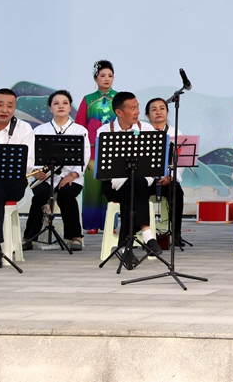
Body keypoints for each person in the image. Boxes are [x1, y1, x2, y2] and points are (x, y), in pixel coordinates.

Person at [95, 92, 163, 270]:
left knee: (135, 186)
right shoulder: (104, 132)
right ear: (119, 112)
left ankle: (126, 247)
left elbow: (151, 168)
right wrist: (123, 178)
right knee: (132, 189)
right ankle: (147, 235)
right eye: (133, 108)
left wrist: (133, 177)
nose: (137, 112)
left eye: (138, 107)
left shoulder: (147, 129)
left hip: (140, 183)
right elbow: (106, 170)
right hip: (113, 185)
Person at [23, 90, 90, 252]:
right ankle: (29, 237)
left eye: (65, 103)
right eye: (56, 103)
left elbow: (85, 155)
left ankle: (75, 236)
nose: (61, 106)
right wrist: (36, 171)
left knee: (67, 194)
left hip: (71, 177)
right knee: (40, 195)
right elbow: (31, 155)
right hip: (44, 177)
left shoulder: (80, 130)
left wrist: (72, 175)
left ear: (70, 108)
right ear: (50, 108)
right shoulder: (39, 130)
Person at [0, 89, 35, 268]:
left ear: (15, 108)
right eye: (0, 105)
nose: (4, 110)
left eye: (10, 106)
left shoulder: (24, 128)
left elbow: (29, 163)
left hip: (15, 183)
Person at [75, 59, 117, 231]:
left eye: (110, 76)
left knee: (110, 189)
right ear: (95, 78)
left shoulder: (119, 99)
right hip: (92, 151)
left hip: (114, 151)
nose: (107, 79)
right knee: (92, 190)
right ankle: (91, 224)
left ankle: (110, 223)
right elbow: (79, 126)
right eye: (102, 75)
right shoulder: (88, 100)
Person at [146, 97, 186, 248]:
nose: (158, 112)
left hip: (167, 178)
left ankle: (176, 233)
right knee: (136, 192)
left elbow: (180, 162)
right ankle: (141, 233)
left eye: (162, 108)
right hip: (147, 179)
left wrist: (170, 177)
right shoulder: (142, 131)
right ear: (147, 115)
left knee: (176, 191)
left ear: (167, 112)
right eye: (154, 109)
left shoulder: (176, 133)